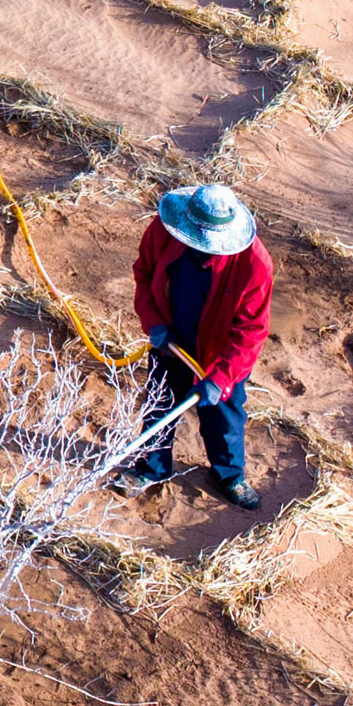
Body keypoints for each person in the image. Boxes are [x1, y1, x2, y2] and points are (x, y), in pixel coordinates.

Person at [122, 183, 272, 508]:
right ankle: (152, 467)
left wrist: (221, 377)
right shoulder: (164, 231)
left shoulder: (254, 265)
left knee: (225, 420)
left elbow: (251, 331)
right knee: (160, 405)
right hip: (172, 343)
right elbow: (144, 274)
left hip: (220, 358)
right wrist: (155, 324)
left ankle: (229, 476)